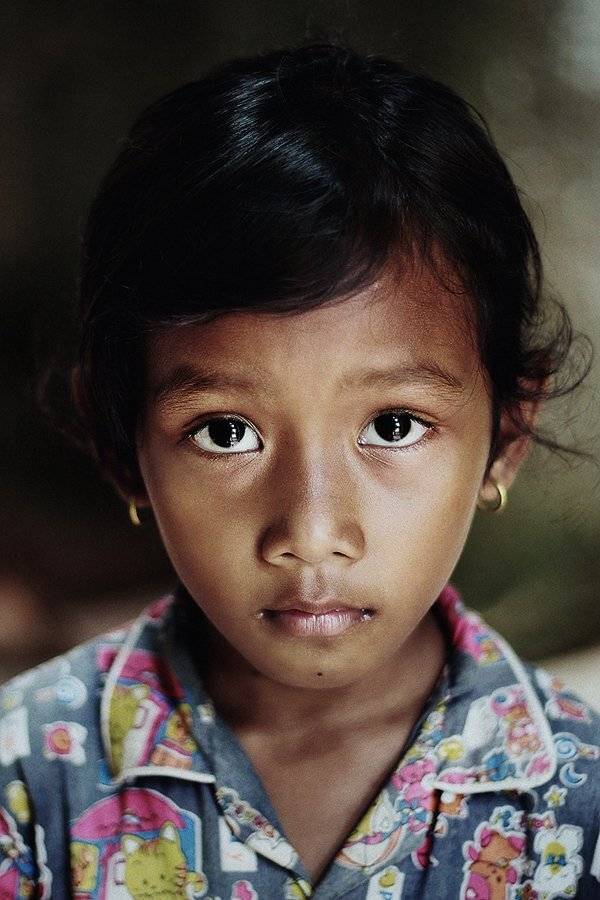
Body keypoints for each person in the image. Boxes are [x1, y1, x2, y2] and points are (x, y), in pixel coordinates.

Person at [1, 42, 598, 899]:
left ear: (505, 433)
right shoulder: (24, 786)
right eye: (225, 432)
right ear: (121, 446)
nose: (312, 531)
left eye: (393, 425)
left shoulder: (580, 808)